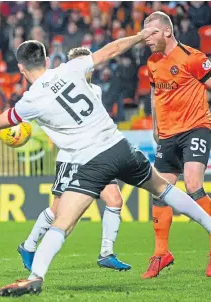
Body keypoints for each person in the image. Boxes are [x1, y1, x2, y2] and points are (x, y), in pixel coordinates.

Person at [0, 32, 211, 297]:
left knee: (63, 222)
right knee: (164, 189)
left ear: (21, 69)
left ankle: (35, 277)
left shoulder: (30, 101)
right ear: (46, 59)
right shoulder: (71, 68)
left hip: (93, 161)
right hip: (120, 146)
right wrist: (139, 36)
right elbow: (110, 50)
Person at [142, 11, 211, 279]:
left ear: (167, 32)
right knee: (158, 190)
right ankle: (161, 253)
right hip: (168, 135)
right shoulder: (152, 61)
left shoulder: (193, 57)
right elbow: (154, 93)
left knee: (193, 184)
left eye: (150, 34)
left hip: (196, 128)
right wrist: (155, 128)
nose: (145, 39)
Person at [18, 47, 131, 272]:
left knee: (115, 200)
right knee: (58, 210)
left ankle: (106, 252)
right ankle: (29, 245)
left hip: (96, 154)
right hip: (72, 156)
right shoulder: (55, 89)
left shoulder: (96, 90)